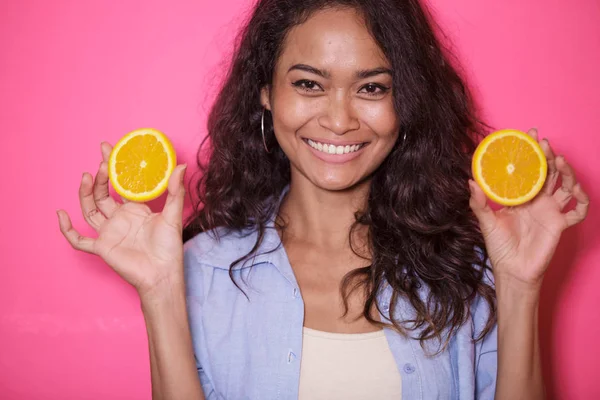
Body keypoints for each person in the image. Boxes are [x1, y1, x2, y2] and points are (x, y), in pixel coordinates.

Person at [56, 0, 590, 398]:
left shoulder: (467, 268)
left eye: (373, 88)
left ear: (406, 101)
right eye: (309, 84)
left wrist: (519, 287)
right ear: (265, 92)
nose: (338, 119)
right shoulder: (198, 269)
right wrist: (159, 291)